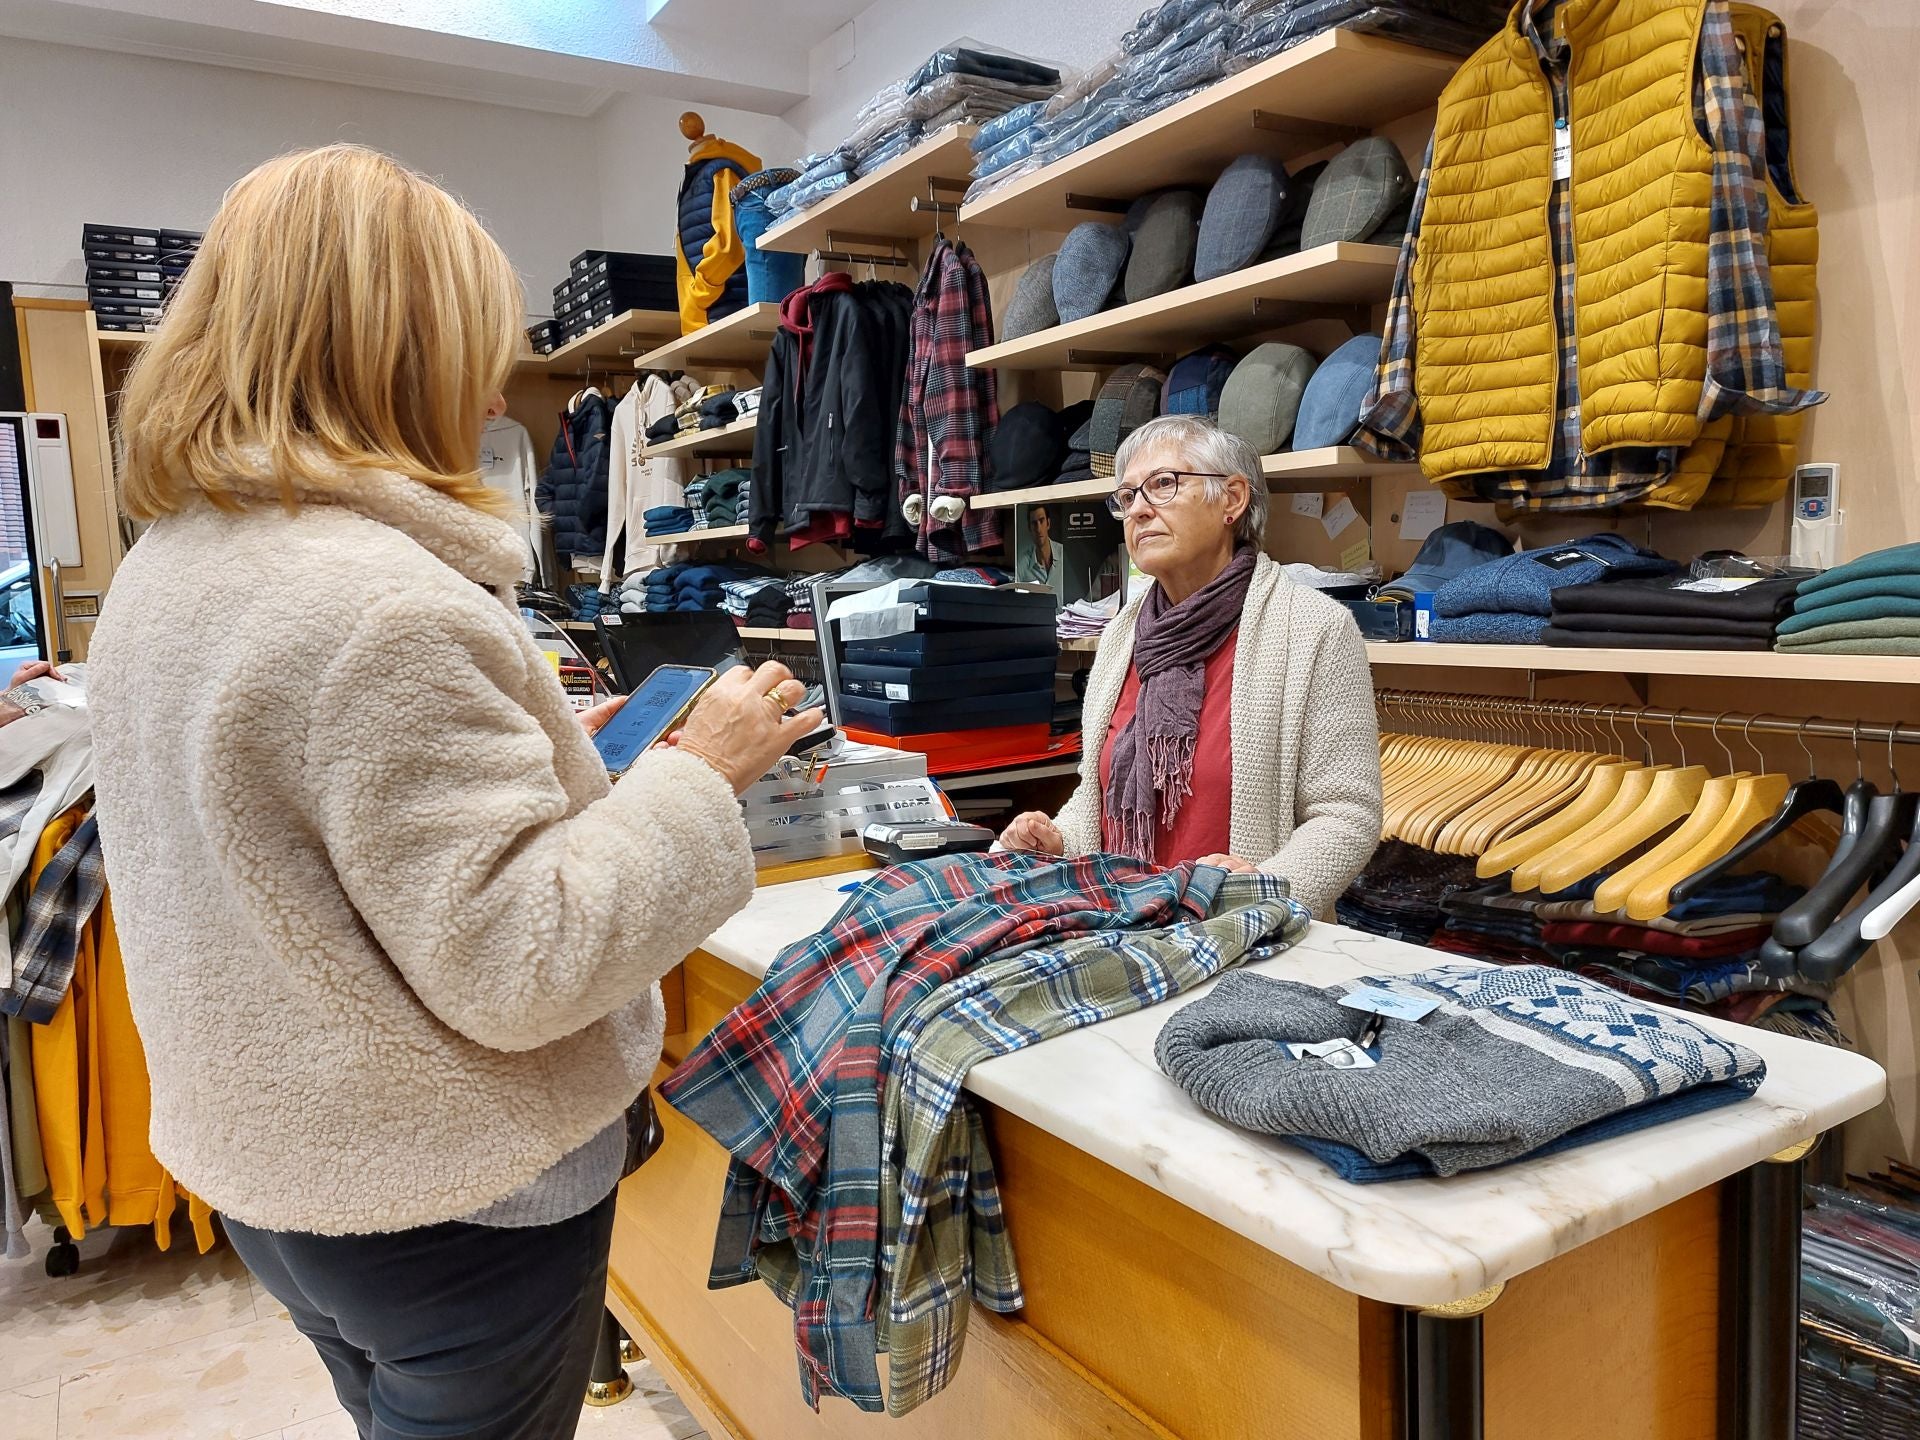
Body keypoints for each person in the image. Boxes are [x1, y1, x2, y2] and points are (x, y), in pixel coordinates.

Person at [87, 144, 822, 1440]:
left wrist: (537, 753)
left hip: (285, 1175)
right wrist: (698, 773)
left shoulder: (171, 570)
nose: (487, 385)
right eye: (464, 344)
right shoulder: (377, 605)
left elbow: (299, 827)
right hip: (450, 1202)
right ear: (390, 346)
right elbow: (525, 955)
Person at [1000, 414, 1382, 915]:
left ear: (1232, 499)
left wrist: (1264, 891)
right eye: (1128, 496)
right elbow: (1099, 802)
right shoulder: (1122, 635)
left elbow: (1347, 816)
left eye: (1162, 484)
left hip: (1244, 944)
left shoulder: (1314, 630)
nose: (1138, 510)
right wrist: (1056, 839)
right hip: (1124, 927)